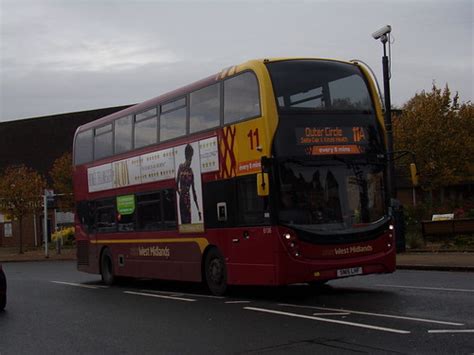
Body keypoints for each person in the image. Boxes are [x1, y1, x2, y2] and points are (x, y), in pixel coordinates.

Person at [176, 144, 201, 224]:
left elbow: (194, 191)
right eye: (189, 158)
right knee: (183, 221)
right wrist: (181, 194)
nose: (190, 161)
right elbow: (176, 185)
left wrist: (198, 209)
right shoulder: (180, 167)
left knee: (188, 222)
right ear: (186, 156)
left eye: (191, 158)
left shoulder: (191, 171)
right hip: (182, 199)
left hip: (188, 199)